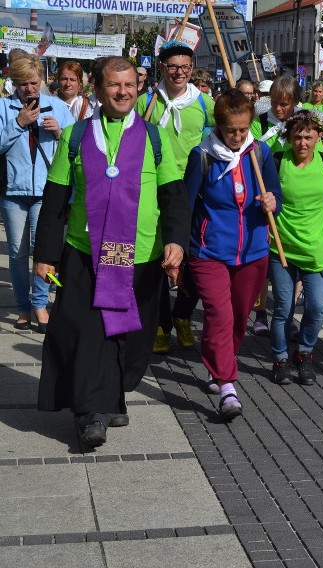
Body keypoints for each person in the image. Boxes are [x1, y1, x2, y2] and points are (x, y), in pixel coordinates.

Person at [34, 55, 188, 447]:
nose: (123, 92)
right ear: (97, 89)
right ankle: (90, 414)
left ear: (138, 88)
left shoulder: (155, 136)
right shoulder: (76, 136)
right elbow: (55, 201)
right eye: (114, 85)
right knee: (89, 336)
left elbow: (173, 197)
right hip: (86, 255)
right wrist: (46, 254)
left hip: (141, 257)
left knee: (131, 342)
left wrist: (175, 241)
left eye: (130, 85)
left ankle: (114, 393)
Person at [183, 89, 281, 419]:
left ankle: (218, 364)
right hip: (210, 250)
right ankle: (227, 386)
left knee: (239, 317)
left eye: (242, 129)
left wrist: (272, 202)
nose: (237, 137)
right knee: (219, 315)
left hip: (252, 251)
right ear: (218, 127)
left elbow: (275, 193)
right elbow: (187, 204)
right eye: (230, 130)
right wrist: (178, 250)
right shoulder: (202, 156)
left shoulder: (261, 153)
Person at [138, 40, 215, 354]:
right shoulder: (146, 101)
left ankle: (182, 314)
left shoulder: (204, 103)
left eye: (185, 66)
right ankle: (160, 324)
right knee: (156, 257)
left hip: (193, 190)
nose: (179, 72)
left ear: (192, 69)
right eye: (173, 66)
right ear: (162, 68)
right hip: (155, 189)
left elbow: (230, 132)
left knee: (195, 258)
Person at [269, 111, 323, 386]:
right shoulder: (277, 162)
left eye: (308, 137)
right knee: (283, 307)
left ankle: (304, 352)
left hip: (317, 250)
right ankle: (280, 358)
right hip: (282, 249)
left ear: (319, 137)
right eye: (297, 137)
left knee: (316, 307)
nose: (302, 143)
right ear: (288, 137)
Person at [0, 55, 74, 332]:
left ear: (42, 80)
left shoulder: (56, 106)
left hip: (47, 191)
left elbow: (75, 146)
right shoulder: (3, 107)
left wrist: (60, 131)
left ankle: (40, 303)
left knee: (43, 250)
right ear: (14, 84)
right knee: (18, 254)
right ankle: (22, 308)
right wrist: (17, 123)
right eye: (23, 84)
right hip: (13, 191)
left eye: (34, 82)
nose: (29, 89)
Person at [249, 75, 301, 335]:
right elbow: (255, 151)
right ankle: (260, 312)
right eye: (276, 103)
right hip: (266, 193)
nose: (279, 109)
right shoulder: (260, 122)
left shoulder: (300, 124)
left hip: (293, 197)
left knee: (291, 262)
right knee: (265, 259)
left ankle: (288, 314)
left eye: (285, 104)